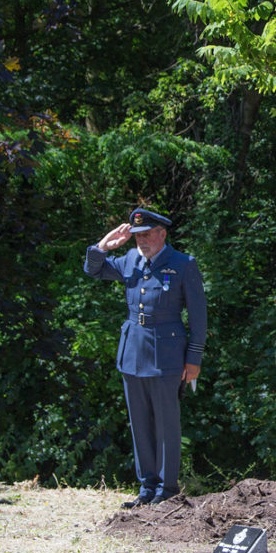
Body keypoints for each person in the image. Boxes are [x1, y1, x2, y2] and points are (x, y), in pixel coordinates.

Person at [84, 208, 207, 508]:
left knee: (166, 422)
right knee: (139, 423)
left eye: (148, 234)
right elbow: (93, 270)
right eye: (138, 236)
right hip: (132, 353)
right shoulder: (129, 261)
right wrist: (102, 247)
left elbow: (199, 315)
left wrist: (194, 358)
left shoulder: (182, 264)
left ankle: (166, 491)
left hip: (166, 354)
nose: (143, 241)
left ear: (162, 234)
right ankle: (147, 487)